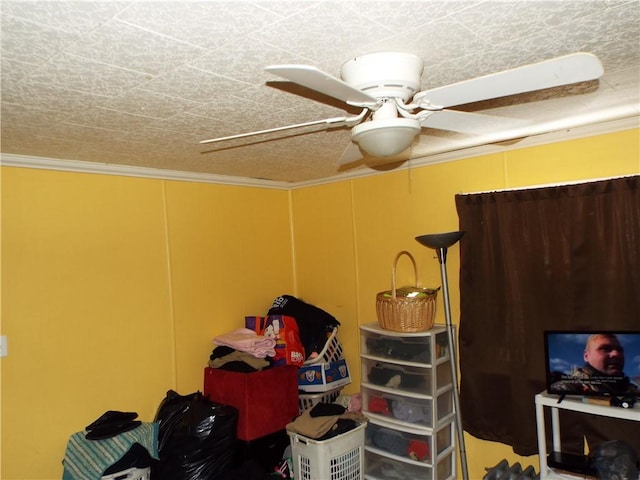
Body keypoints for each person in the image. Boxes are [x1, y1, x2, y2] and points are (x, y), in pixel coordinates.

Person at [550, 333, 639, 395]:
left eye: (620, 350)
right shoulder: (568, 388)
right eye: (605, 349)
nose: (616, 354)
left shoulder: (633, 391)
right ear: (586, 356)